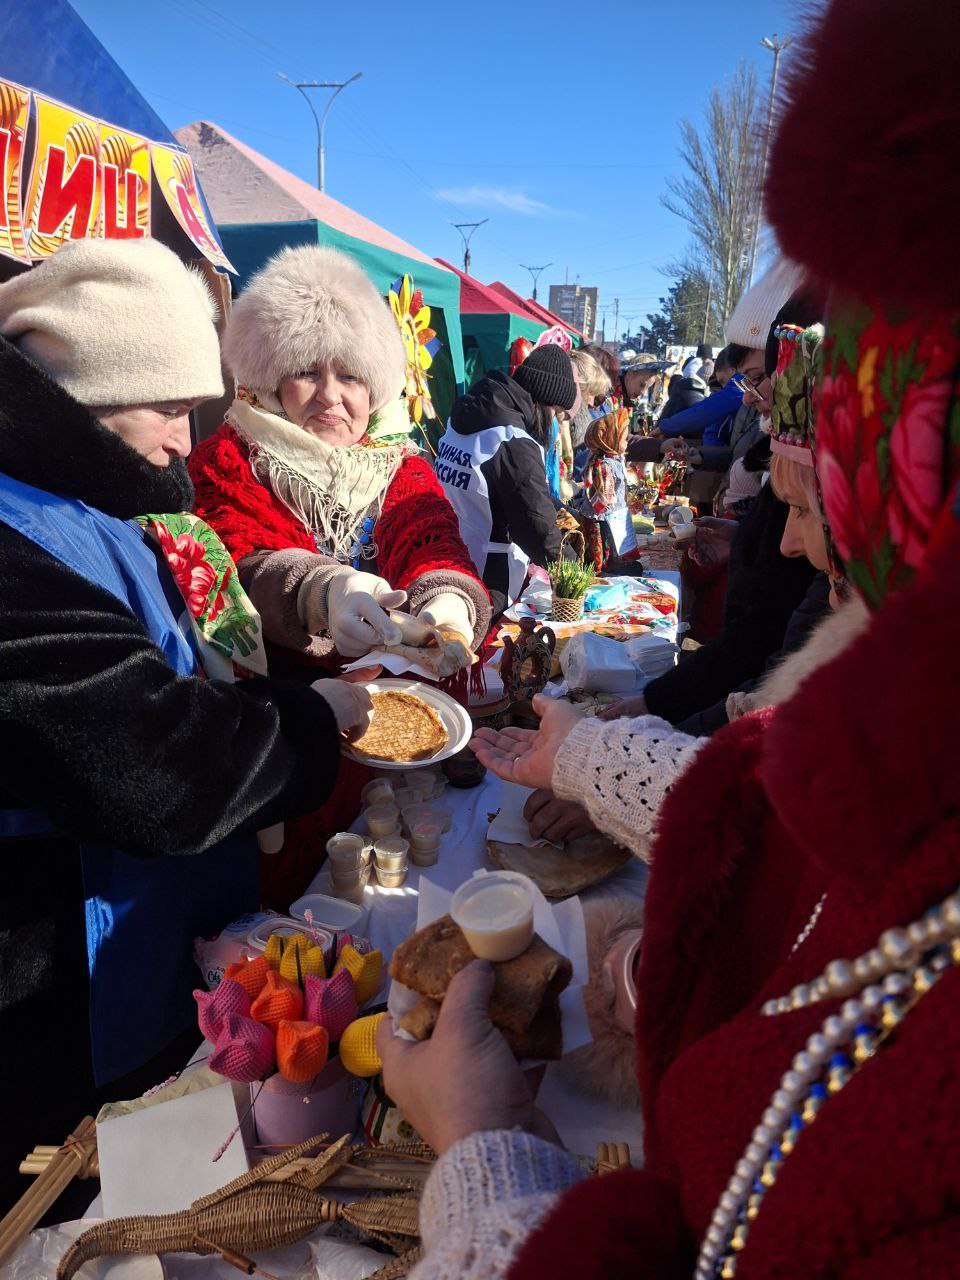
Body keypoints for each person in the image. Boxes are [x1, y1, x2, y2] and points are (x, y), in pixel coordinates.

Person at [377, 1, 960, 1273]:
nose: (802, 544)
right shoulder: (899, 793)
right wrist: (593, 762)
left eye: (837, 486)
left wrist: (483, 1157)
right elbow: (794, 865)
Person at [0, 238, 375, 1207]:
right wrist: (310, 721)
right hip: (51, 995)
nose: (183, 440)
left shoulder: (89, 499)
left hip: (144, 951)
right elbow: (146, 757)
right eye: (170, 406)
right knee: (73, 1213)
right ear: (90, 389)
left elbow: (197, 621)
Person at [189, 246, 490, 901]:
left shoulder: (395, 464)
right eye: (305, 371)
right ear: (266, 378)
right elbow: (239, 559)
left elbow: (429, 536)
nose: (331, 396)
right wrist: (323, 592)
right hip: (275, 741)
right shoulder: (227, 460)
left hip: (373, 733)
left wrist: (447, 606)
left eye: (351, 376)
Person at [435, 343, 578, 618]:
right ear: (544, 403)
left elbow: (517, 489)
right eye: (558, 414)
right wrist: (576, 567)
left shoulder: (471, 413)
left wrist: (564, 512)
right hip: (486, 576)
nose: (557, 424)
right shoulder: (513, 440)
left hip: (447, 555)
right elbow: (536, 528)